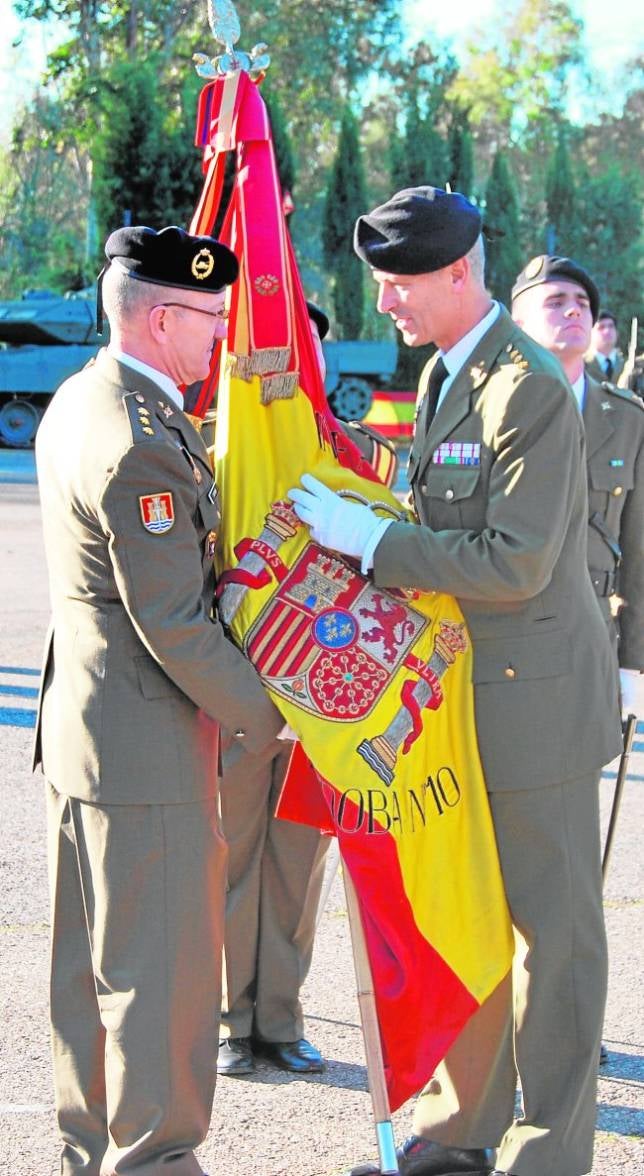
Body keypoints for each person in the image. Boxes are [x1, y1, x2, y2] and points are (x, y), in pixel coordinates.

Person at [288, 187, 623, 1176]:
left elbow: (513, 561)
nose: (384, 302)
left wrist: (375, 541)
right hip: (458, 703)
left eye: (397, 285)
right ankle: (459, 1134)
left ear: (456, 273)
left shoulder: (521, 387)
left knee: (550, 948)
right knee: (470, 925)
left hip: (534, 711)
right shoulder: (446, 375)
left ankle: (546, 1156)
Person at [33, 224, 288, 1176]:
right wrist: (277, 714)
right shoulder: (139, 441)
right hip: (146, 743)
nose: (222, 337)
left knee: (90, 973)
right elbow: (174, 623)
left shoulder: (82, 398)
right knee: (166, 980)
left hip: (89, 734)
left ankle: (90, 1148)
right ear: (164, 317)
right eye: (213, 319)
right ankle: (155, 1163)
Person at [217, 299, 398, 1078]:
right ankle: (231, 1022)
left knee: (297, 867)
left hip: (326, 701)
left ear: (319, 364)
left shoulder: (366, 455)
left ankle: (281, 1020)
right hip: (233, 695)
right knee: (230, 860)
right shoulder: (217, 449)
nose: (295, 360)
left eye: (308, 347)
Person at [511, 254, 644, 718]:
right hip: (499, 646)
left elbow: (639, 553)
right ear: (519, 322)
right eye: (556, 301)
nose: (575, 311)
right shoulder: (488, 408)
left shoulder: (627, 419)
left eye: (583, 303)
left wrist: (633, 665)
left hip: (588, 643)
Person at [585, 308, 625, 384]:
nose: (607, 331)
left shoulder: (626, 364)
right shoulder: (582, 364)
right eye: (601, 327)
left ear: (617, 332)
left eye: (611, 326)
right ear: (590, 333)